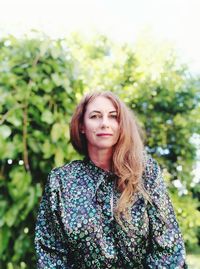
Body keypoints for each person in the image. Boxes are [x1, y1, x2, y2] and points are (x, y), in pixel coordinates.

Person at [35, 91, 187, 268]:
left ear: (121, 124)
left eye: (113, 116)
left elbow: (168, 248)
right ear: (82, 126)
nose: (104, 123)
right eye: (95, 116)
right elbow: (50, 254)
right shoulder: (61, 181)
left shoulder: (146, 172)